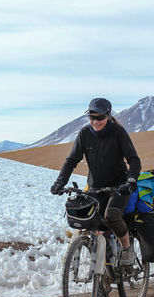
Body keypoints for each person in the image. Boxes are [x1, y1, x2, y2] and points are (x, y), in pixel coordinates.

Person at [50, 97, 142, 266]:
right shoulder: (84, 134)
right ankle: (99, 268)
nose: (95, 121)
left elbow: (134, 160)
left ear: (108, 116)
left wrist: (130, 181)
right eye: (92, 117)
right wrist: (59, 182)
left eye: (100, 117)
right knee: (89, 219)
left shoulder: (118, 133)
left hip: (119, 186)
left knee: (111, 216)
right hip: (94, 186)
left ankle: (127, 249)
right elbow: (72, 160)